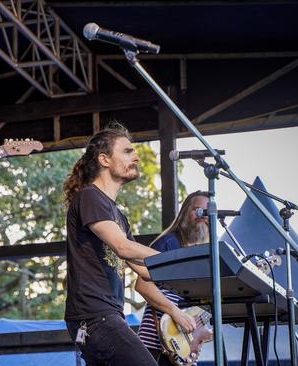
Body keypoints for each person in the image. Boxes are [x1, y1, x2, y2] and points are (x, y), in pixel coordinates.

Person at [63, 123, 193, 366]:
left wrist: (192, 283)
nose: (136, 157)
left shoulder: (117, 215)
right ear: (104, 159)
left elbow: (143, 268)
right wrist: (179, 261)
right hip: (94, 316)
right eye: (127, 151)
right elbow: (123, 248)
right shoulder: (90, 196)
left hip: (106, 315)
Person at [136, 191, 211, 365]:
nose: (202, 217)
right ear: (185, 212)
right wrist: (175, 313)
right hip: (157, 341)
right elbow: (142, 285)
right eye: (197, 210)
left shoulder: (203, 256)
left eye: (206, 213)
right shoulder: (169, 243)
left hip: (182, 346)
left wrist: (197, 334)